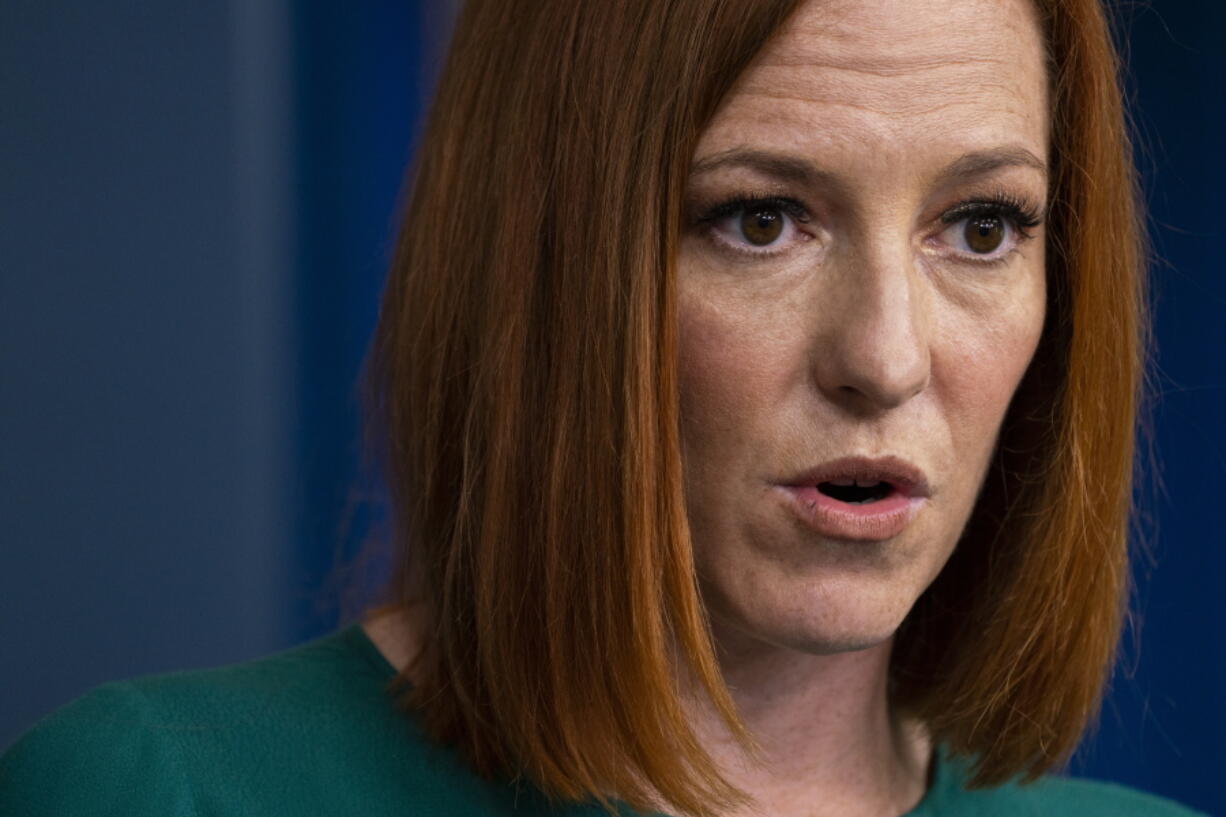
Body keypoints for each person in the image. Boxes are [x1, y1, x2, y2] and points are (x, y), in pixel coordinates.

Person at [0, 0, 1211, 815]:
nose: (885, 358)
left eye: (980, 227)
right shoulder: (163, 790)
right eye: (758, 219)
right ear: (544, 265)